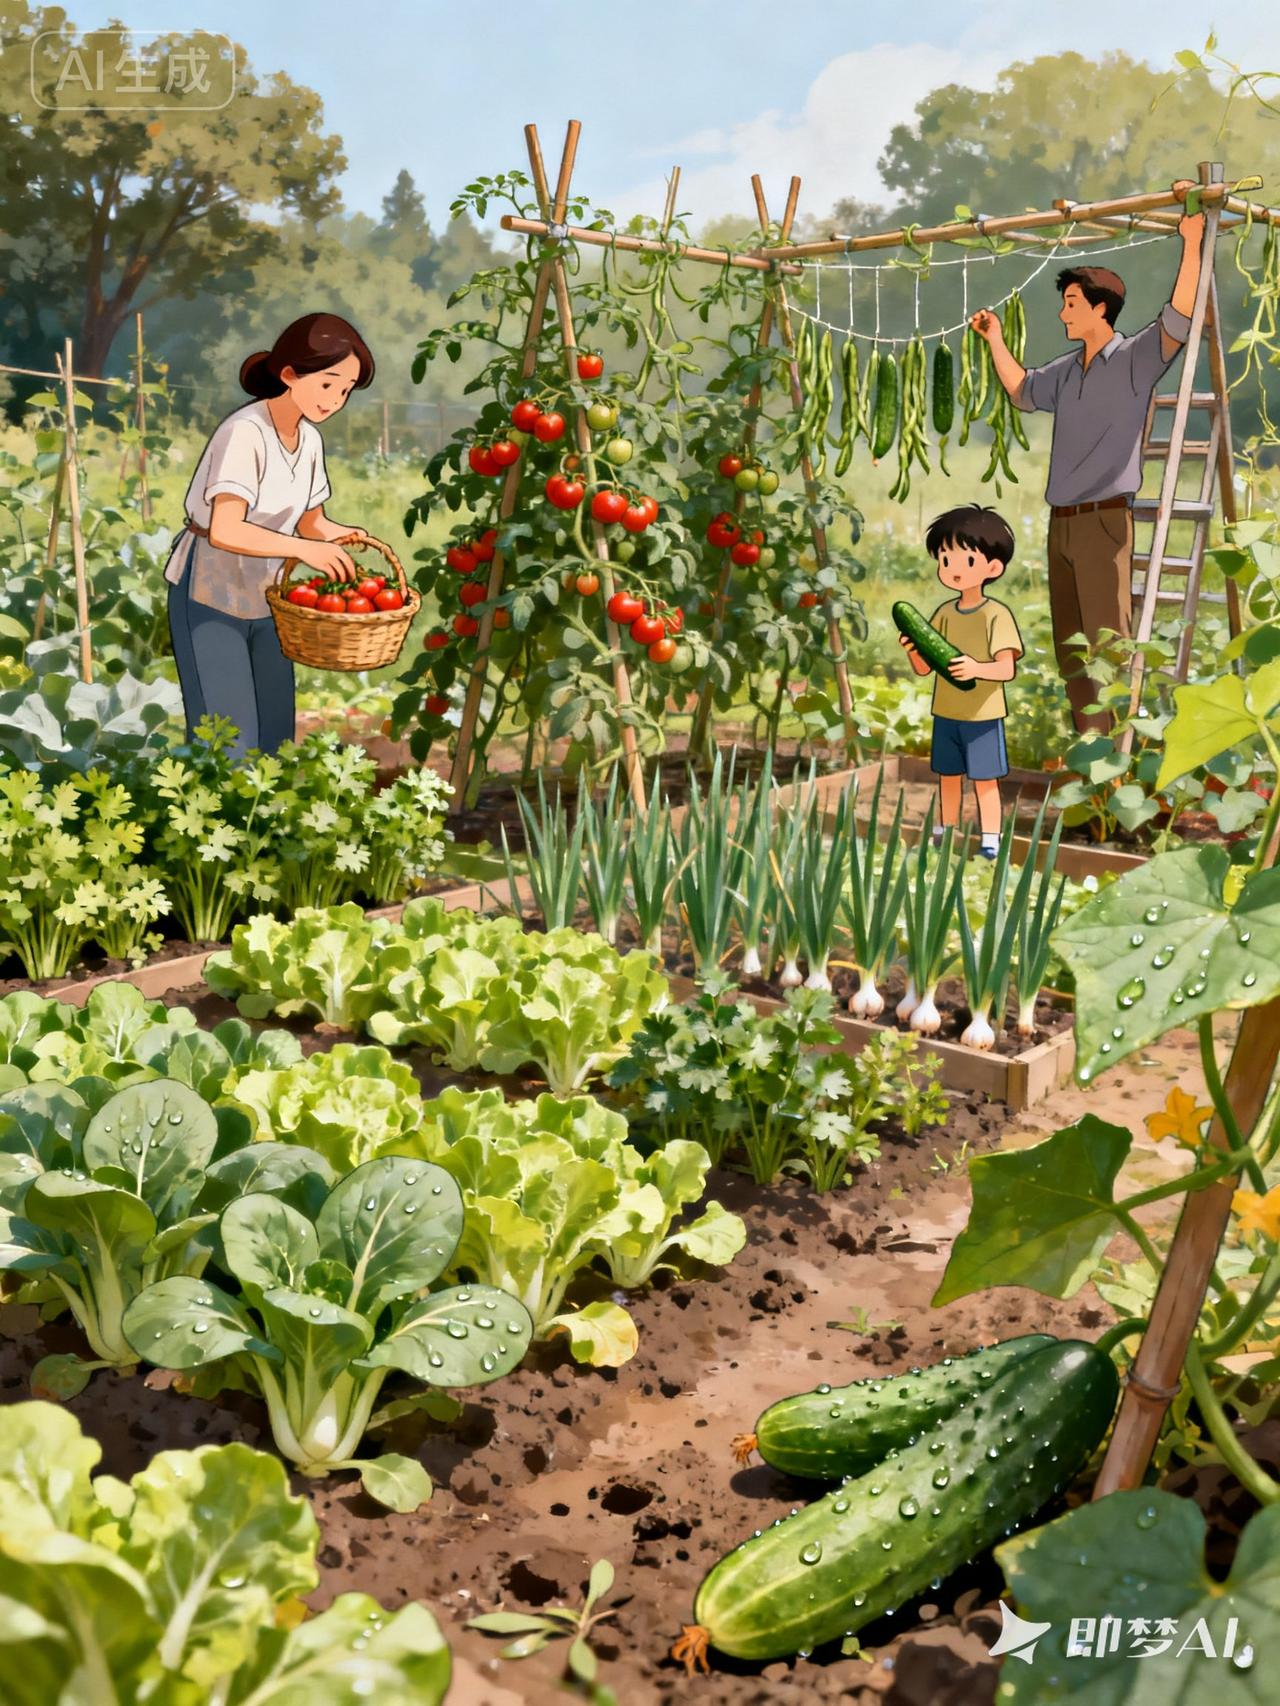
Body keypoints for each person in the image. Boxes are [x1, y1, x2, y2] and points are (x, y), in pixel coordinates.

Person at [969, 181, 1205, 734]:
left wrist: (1191, 242)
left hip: (1103, 520)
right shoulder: (1067, 370)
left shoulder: (1135, 360)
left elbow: (1179, 315)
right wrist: (995, 339)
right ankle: (1089, 759)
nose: (1063, 314)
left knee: (1108, 646)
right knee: (1072, 649)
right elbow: (1023, 391)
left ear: (1101, 309)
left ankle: (1116, 764)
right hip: (1063, 524)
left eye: (1071, 304)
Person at [165, 312, 375, 758]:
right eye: (327, 384)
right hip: (211, 590)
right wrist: (306, 550)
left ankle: (268, 825)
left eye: (345, 390)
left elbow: (311, 523)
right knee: (226, 737)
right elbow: (224, 529)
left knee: (276, 731)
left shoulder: (310, 441)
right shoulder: (245, 432)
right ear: (289, 374)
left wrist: (345, 536)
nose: (335, 399)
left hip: (269, 594)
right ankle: (217, 825)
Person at [900, 504, 1023, 859]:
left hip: (983, 716)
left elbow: (1006, 670)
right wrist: (913, 650)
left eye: (966, 562)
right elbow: (926, 669)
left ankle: (990, 840)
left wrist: (975, 668)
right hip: (947, 712)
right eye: (945, 560)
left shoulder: (996, 615)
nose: (953, 570)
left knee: (985, 780)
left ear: (993, 568)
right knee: (948, 777)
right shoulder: (942, 614)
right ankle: (945, 833)